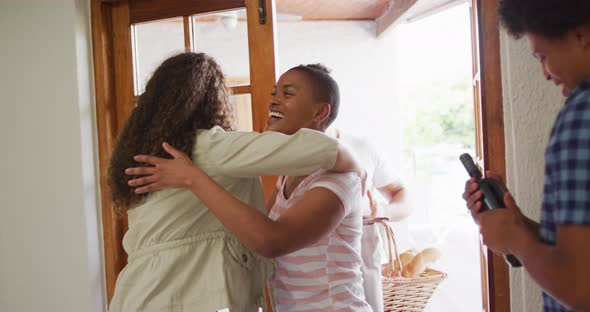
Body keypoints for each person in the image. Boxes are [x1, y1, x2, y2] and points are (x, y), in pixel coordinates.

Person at [107, 54, 363, 312]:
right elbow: (324, 152)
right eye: (275, 92)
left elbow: (269, 239)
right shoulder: (208, 150)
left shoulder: (165, 154)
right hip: (175, 295)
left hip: (136, 294)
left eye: (287, 94)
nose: (273, 99)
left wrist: (357, 169)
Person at [463, 1, 590, 311]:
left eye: (543, 57)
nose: (545, 74)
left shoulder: (582, 115)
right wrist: (517, 224)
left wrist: (515, 239)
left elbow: (581, 288)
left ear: (581, 34)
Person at [330, 128, 411, 312]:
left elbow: (403, 198)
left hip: (362, 274)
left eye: (288, 95)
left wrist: (381, 211)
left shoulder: (362, 147)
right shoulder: (289, 152)